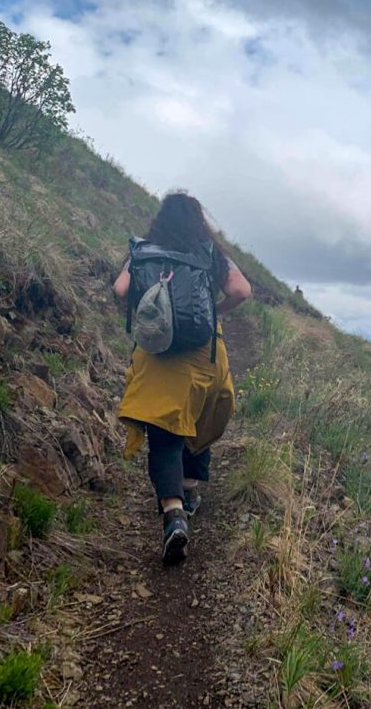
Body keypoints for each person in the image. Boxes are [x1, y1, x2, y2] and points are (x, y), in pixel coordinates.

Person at [113, 192, 252, 563]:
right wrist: (213, 311)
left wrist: (151, 313)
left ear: (160, 219)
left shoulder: (143, 249)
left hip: (157, 353)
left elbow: (120, 290)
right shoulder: (208, 251)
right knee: (200, 416)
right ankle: (190, 490)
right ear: (198, 221)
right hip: (201, 353)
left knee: (163, 435)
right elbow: (241, 290)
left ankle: (173, 514)